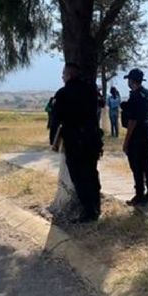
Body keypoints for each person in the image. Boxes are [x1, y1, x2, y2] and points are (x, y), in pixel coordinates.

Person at [50, 63, 103, 223]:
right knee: (92, 173)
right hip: (92, 139)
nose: (62, 76)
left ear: (69, 75)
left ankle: (88, 212)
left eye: (63, 74)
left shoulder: (63, 93)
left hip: (74, 141)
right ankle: (96, 205)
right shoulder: (91, 91)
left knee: (79, 177)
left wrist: (53, 141)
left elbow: (55, 120)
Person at [122, 68, 148, 206]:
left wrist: (126, 141)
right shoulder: (147, 94)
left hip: (137, 133)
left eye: (129, 80)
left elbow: (132, 121)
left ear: (132, 81)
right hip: (147, 130)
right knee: (147, 164)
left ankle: (139, 195)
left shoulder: (135, 96)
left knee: (136, 165)